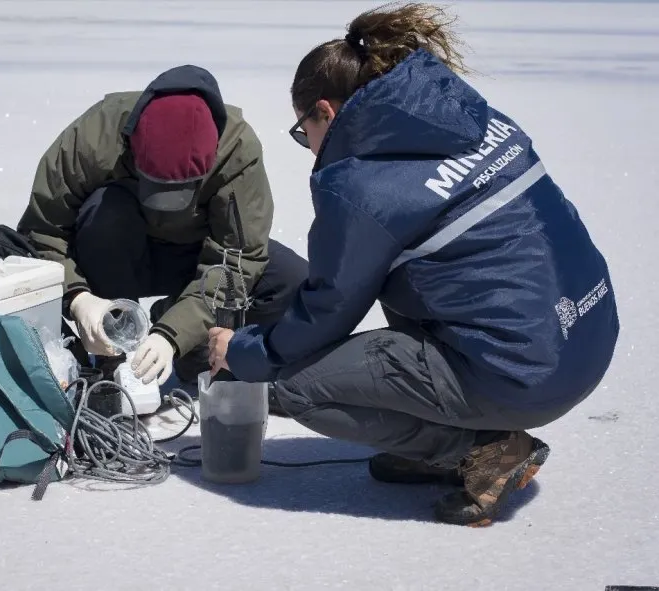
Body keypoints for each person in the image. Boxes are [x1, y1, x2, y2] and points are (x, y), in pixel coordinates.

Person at [207, 3, 619, 527]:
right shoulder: (482, 122)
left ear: (326, 113)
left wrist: (245, 350)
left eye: (301, 130)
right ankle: (453, 435)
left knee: (296, 386)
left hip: (525, 372)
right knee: (410, 271)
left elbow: (330, 307)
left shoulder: (357, 184)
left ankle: (476, 449)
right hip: (587, 336)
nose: (307, 147)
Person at [16, 64, 308, 386]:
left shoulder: (237, 151)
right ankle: (114, 357)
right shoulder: (94, 137)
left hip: (196, 257)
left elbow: (238, 260)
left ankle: (190, 350)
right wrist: (78, 297)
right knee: (107, 211)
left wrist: (173, 334)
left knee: (291, 281)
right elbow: (42, 232)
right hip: (113, 254)